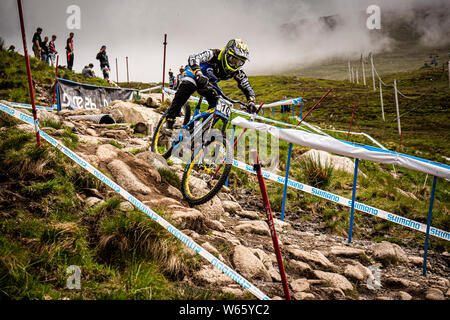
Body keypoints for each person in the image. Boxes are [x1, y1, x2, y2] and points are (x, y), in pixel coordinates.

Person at [165, 39, 256, 129]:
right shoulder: (213, 54)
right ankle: (170, 118)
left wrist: (251, 102)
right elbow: (194, 57)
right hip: (194, 73)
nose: (235, 65)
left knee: (219, 102)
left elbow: (247, 86)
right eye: (233, 60)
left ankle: (203, 129)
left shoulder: (237, 72)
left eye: (239, 62)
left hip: (209, 83)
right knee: (188, 85)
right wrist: (198, 73)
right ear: (226, 54)